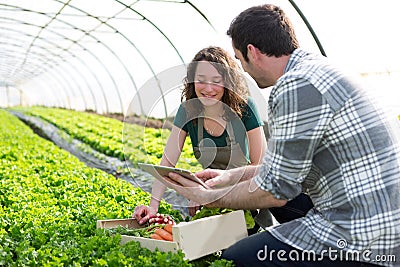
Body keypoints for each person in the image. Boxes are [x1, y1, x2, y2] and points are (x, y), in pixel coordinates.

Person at [159, 4, 400, 267]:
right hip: (378, 214)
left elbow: (275, 190)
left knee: (235, 259)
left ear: (252, 51)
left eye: (239, 60)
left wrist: (209, 197)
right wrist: (228, 176)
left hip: (365, 234)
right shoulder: (314, 69)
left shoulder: (296, 85)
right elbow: (279, 171)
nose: (244, 70)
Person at [133, 46, 268, 230]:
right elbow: (167, 163)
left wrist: (208, 192)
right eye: (201, 80)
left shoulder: (245, 108)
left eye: (216, 81)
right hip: (211, 193)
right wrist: (153, 206)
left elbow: (260, 166)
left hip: (247, 196)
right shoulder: (187, 111)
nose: (208, 88)